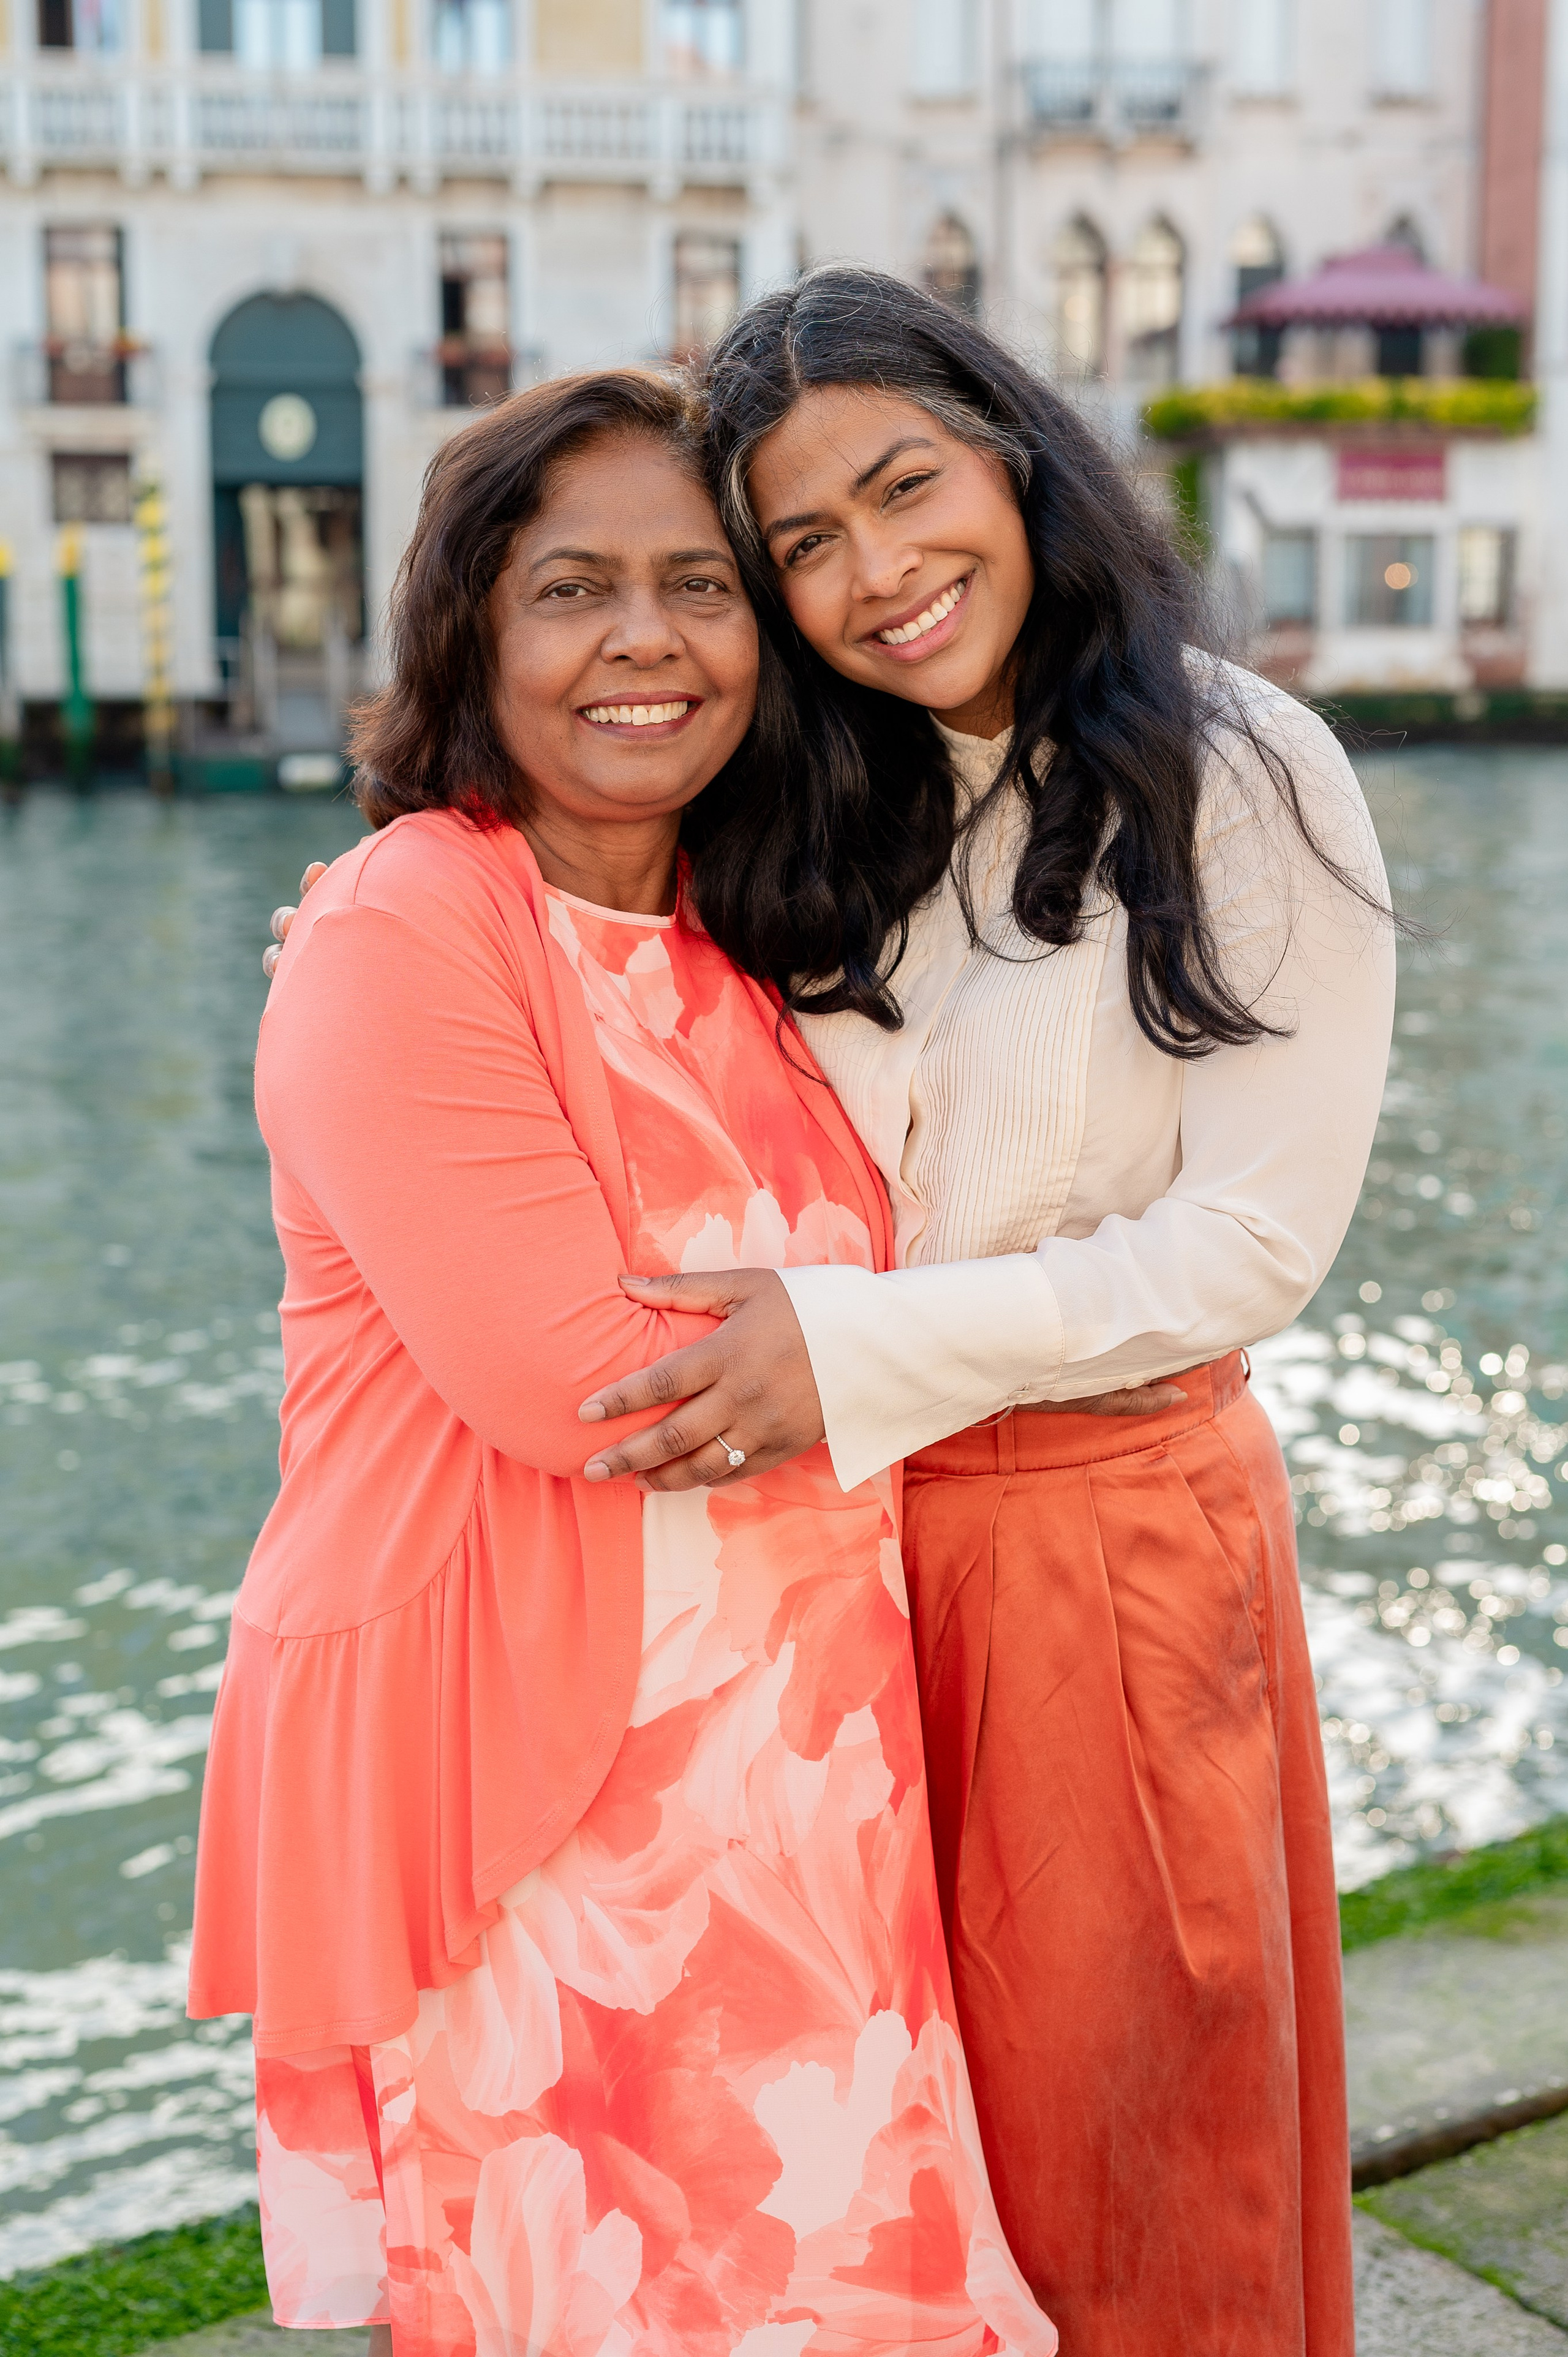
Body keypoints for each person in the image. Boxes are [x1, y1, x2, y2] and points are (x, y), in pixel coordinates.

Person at [565, 273, 1396, 2357]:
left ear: (1015, 457)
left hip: (1104, 1552)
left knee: (1129, 2157)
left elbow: (1254, 1246)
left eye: (904, 487)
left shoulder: (1242, 769)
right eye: (806, 543)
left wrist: (845, 1349)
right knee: (875, 2173)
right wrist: (391, 928)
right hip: (825, 1571)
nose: (877, 572)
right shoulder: (812, 807)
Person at [193, 369, 1054, 2357]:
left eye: (700, 586)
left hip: (807, 1767)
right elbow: (585, 1386)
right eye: (573, 590)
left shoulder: (744, 936)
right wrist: (956, 1341)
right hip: (553, 1786)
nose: (646, 640)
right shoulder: (407, 925)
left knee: (853, 2292)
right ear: (470, 633)